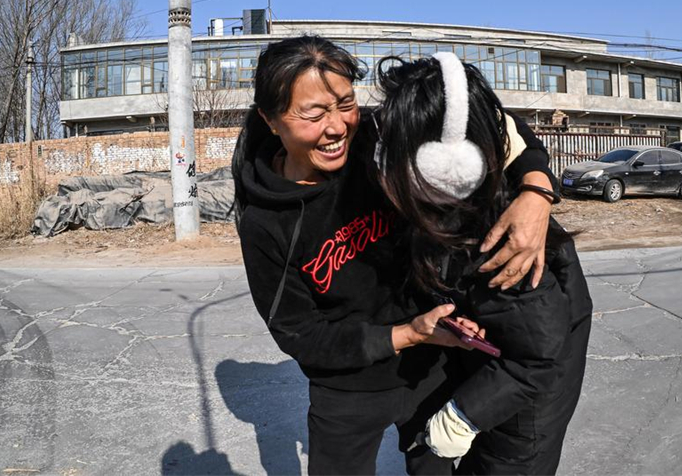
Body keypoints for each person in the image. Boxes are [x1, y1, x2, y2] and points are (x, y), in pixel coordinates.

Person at [231, 36, 559, 475]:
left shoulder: (378, 138)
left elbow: (493, 123)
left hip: (432, 367)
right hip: (346, 390)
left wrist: (537, 192)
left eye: (345, 103)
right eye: (313, 113)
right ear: (271, 120)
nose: (337, 127)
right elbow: (298, 333)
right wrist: (405, 333)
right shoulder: (265, 222)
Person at [372, 52, 593, 475]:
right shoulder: (455, 198)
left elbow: (537, 356)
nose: (383, 156)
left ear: (442, 167)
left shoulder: (499, 241)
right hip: (499, 361)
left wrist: (462, 415)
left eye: (395, 144)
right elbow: (505, 124)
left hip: (527, 400)